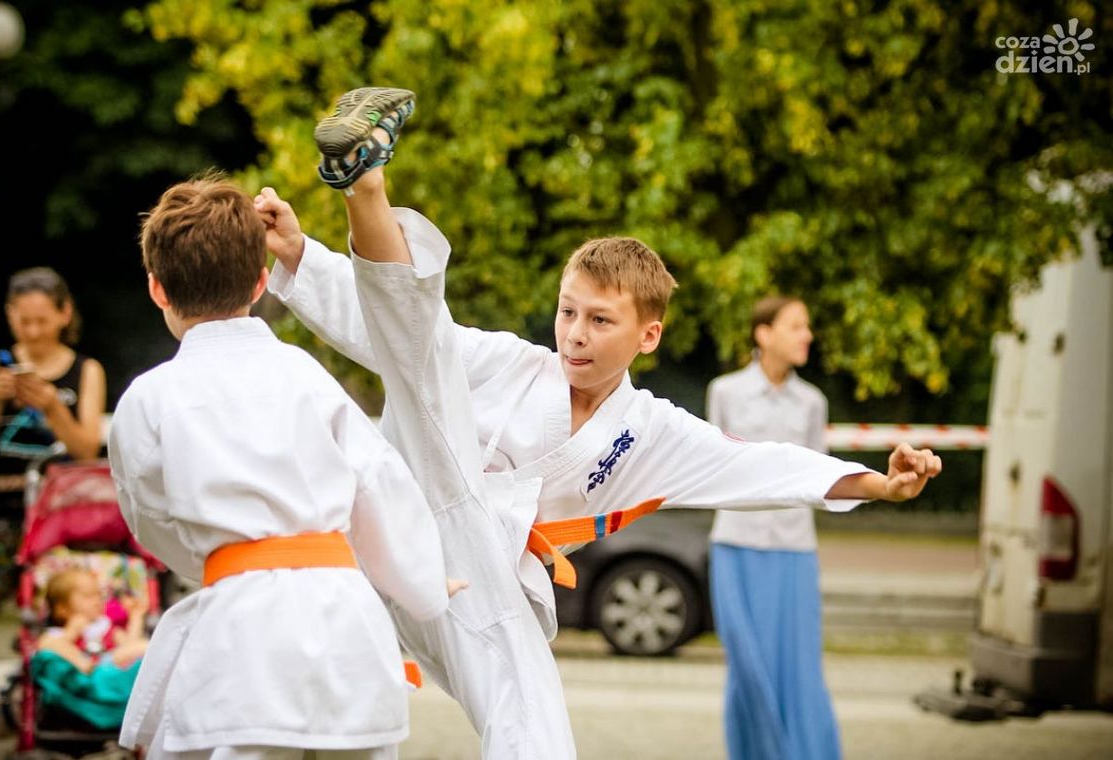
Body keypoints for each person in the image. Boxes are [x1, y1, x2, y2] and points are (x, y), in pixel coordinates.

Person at [258, 86, 942, 755]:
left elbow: (760, 463)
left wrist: (880, 486)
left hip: (483, 575)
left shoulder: (652, 431)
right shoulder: (513, 363)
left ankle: (365, 184)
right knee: (426, 345)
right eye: (568, 312)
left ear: (648, 337)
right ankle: (363, 181)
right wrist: (297, 254)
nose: (575, 334)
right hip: (399, 507)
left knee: (535, 732)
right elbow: (389, 334)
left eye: (600, 320)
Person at [108, 173, 457, 760]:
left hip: (241, 634)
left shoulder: (150, 397)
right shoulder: (302, 374)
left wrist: (220, 554)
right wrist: (423, 586)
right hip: (348, 622)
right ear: (262, 280)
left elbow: (150, 517)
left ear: (157, 290)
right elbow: (378, 482)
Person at [707, 296, 840, 759]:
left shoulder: (812, 402)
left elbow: (822, 478)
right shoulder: (724, 392)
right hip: (736, 546)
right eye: (796, 326)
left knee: (799, 666)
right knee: (747, 666)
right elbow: (713, 467)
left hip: (794, 551)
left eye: (807, 327)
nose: (807, 335)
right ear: (764, 334)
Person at [0, 267, 106, 642]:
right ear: (10, 314)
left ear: (64, 315)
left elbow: (86, 450)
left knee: (68, 614)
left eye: (42, 321)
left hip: (61, 518)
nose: (32, 331)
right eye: (24, 320)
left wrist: (52, 407)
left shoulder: (86, 370)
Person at [38, 567, 149, 673]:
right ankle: (85, 665)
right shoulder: (57, 633)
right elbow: (50, 648)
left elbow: (129, 646)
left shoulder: (104, 625)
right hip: (79, 668)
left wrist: (136, 618)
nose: (97, 601)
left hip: (105, 666)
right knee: (47, 642)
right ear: (63, 609)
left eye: (99, 595)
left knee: (141, 646)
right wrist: (72, 632)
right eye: (88, 596)